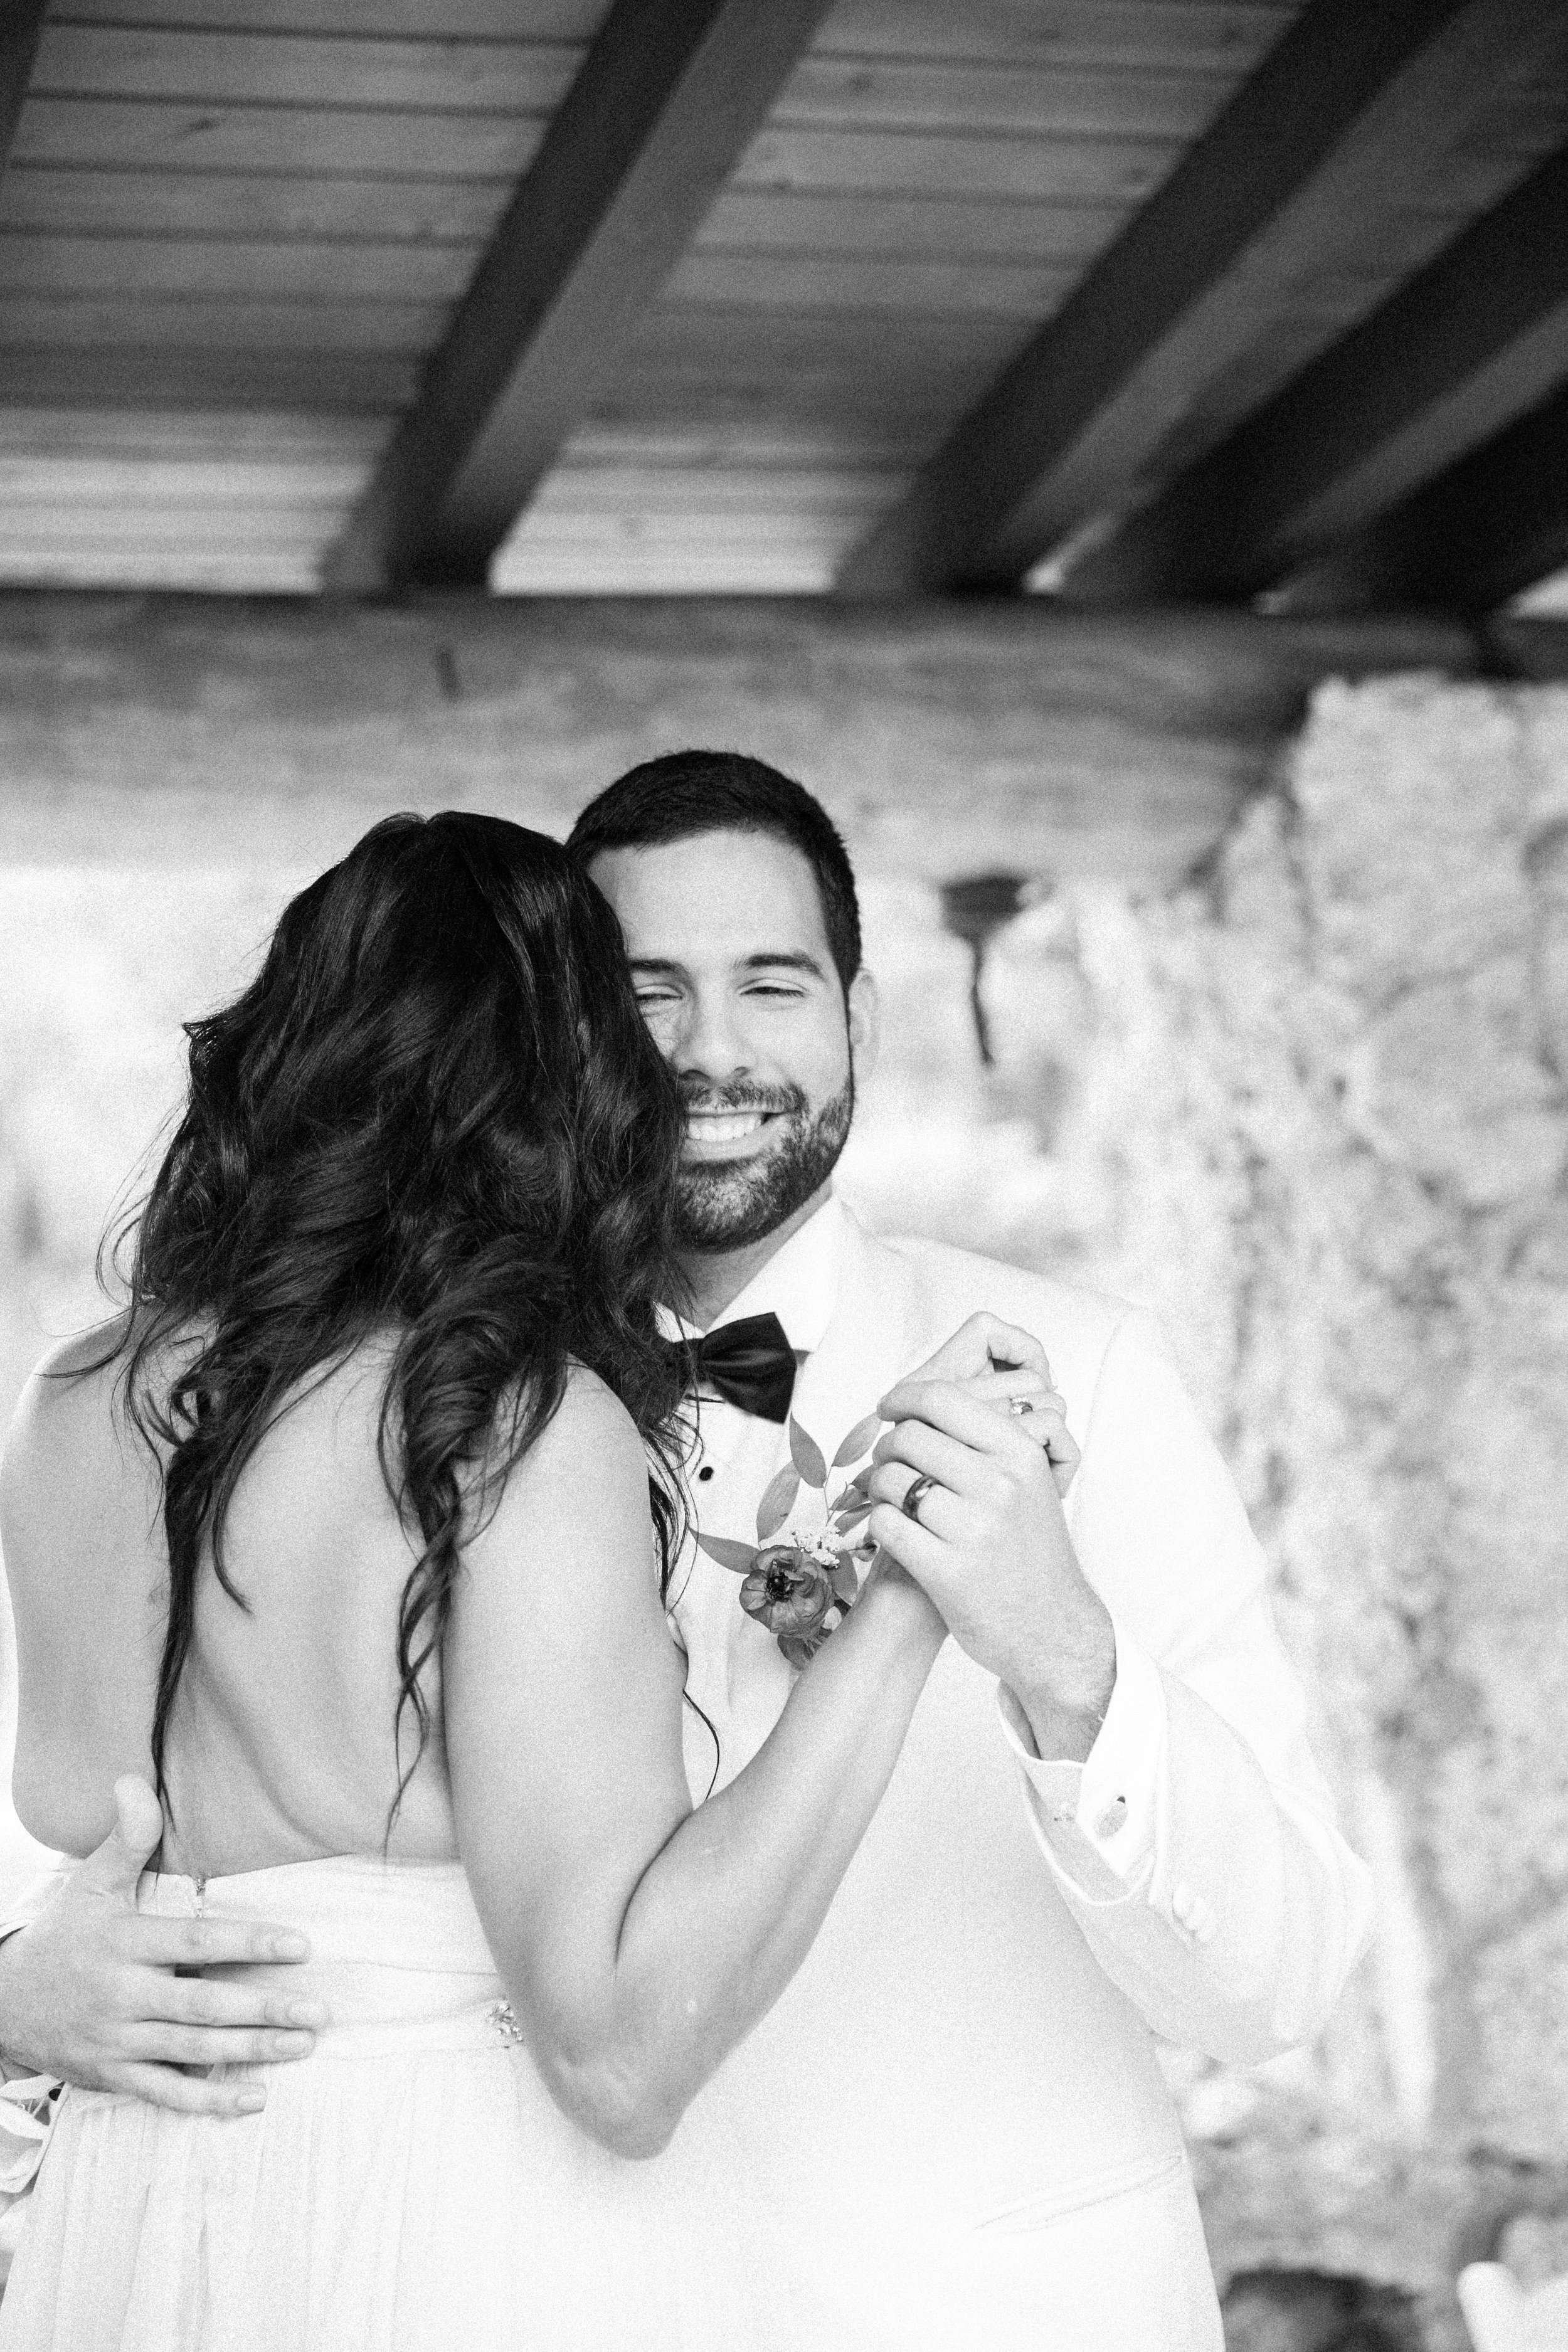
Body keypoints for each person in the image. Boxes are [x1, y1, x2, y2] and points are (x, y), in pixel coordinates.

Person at [0, 756, 1376, 2346]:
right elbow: (98, 1837)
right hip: (453, 2259)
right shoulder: (473, 1404)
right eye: (647, 992)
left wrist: (1060, 1653)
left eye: (771, 984)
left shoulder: (1082, 1375)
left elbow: (1278, 1986)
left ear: (859, 1017)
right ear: (561, 1037)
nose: (712, 1051)